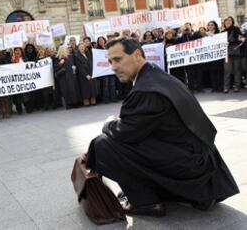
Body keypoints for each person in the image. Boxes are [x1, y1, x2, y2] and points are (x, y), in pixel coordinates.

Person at [81, 38, 239, 217]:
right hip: (198, 159)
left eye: (118, 59)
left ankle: (147, 202)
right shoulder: (156, 76)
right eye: (110, 61)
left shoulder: (146, 90)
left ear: (137, 55)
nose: (113, 67)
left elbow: (125, 133)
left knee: (103, 145)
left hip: (191, 165)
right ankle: (182, 194)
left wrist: (109, 123)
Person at [222, 16, 244, 93]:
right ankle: (226, 87)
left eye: (230, 20)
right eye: (226, 20)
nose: (228, 22)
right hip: (226, 54)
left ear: (232, 22)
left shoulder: (236, 29)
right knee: (227, 71)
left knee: (237, 70)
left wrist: (231, 42)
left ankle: (237, 86)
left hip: (236, 52)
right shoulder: (223, 32)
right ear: (224, 22)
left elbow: (240, 39)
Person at [206, 21, 224, 92]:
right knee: (212, 72)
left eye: (212, 25)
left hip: (218, 55)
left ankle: (220, 87)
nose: (210, 26)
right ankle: (214, 87)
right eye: (209, 25)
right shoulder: (205, 35)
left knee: (219, 72)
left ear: (215, 26)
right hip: (210, 56)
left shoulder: (219, 34)